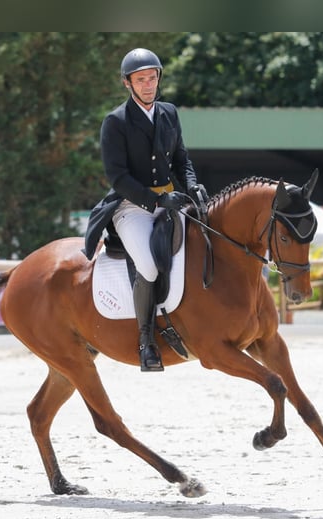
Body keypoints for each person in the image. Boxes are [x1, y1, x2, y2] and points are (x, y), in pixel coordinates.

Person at [82, 48, 206, 372]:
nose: (148, 84)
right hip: (130, 207)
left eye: (152, 78)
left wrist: (192, 185)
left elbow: (181, 160)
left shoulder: (169, 113)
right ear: (128, 83)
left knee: (201, 242)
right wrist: (156, 201)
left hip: (169, 201)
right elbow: (117, 177)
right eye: (141, 80)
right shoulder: (116, 121)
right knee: (149, 267)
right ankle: (146, 342)